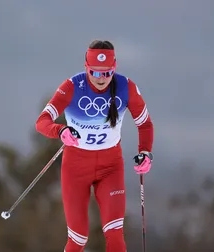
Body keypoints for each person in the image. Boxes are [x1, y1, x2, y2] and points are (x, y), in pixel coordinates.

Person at [35, 39, 154, 252]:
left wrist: (145, 152)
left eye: (107, 73)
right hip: (75, 168)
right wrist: (60, 130)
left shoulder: (126, 88)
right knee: (78, 239)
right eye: (95, 73)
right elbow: (42, 122)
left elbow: (144, 124)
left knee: (115, 235)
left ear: (114, 68)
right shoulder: (71, 87)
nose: (101, 79)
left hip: (111, 168)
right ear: (86, 68)